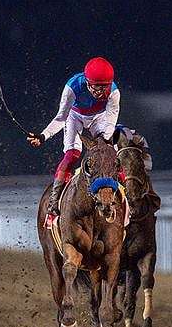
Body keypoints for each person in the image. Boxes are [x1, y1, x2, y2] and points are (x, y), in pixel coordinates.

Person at [27, 57, 120, 228]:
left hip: (99, 118)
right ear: (87, 82)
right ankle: (53, 204)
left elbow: (110, 122)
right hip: (74, 116)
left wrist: (105, 143)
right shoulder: (72, 87)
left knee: (110, 155)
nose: (100, 93)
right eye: (96, 88)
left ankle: (128, 199)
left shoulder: (114, 92)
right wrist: (43, 136)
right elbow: (61, 118)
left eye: (104, 88)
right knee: (72, 155)